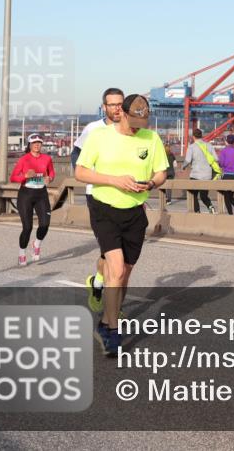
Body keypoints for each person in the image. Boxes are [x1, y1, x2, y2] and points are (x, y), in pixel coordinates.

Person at [75, 93, 168, 356]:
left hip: (135, 212)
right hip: (104, 208)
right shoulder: (100, 136)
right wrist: (113, 180)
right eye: (136, 119)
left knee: (124, 274)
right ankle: (114, 333)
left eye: (144, 120)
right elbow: (80, 171)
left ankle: (105, 322)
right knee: (114, 269)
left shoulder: (151, 138)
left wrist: (150, 183)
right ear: (123, 114)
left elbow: (162, 171)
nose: (140, 125)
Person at [74, 88, 125, 314]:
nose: (116, 108)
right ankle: (112, 308)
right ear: (104, 106)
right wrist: (94, 172)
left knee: (119, 254)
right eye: (111, 104)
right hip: (96, 194)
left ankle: (98, 283)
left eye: (120, 104)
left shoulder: (130, 129)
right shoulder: (93, 129)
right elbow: (76, 155)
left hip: (125, 196)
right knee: (110, 251)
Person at [10, 134, 55, 266]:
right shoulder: (24, 159)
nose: (37, 145)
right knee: (27, 227)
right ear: (29, 145)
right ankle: (22, 253)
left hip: (41, 194)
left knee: (45, 225)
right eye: (34, 143)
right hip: (26, 194)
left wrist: (49, 178)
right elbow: (13, 177)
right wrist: (25, 175)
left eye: (39, 143)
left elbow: (51, 172)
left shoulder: (47, 158)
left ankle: (37, 243)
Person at [183, 128, 219, 214]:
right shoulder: (209, 146)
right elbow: (216, 158)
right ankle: (211, 207)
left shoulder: (191, 147)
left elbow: (187, 160)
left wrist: (183, 166)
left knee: (193, 195)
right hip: (207, 175)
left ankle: (197, 211)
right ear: (201, 136)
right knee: (204, 196)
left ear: (193, 137)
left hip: (195, 175)